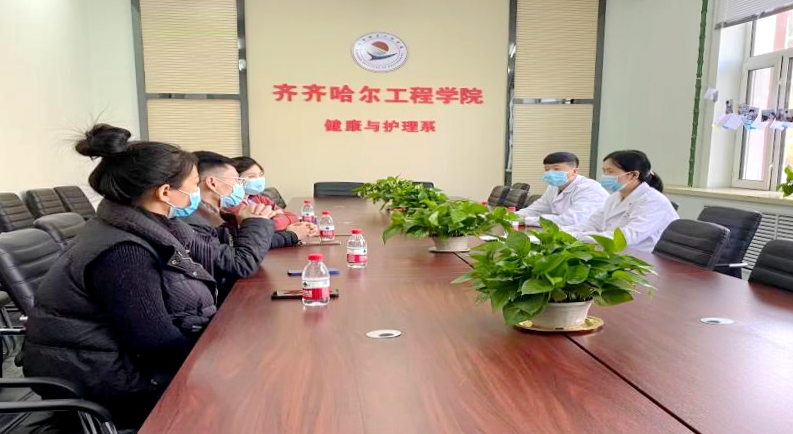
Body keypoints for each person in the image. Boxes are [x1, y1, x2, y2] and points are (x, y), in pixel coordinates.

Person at [23, 124, 218, 428]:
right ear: (165, 192)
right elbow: (156, 343)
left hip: (116, 363)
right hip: (108, 381)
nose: (198, 193)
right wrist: (220, 356)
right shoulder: (124, 252)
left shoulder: (141, 226)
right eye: (195, 185)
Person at [183, 151, 279, 301]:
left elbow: (244, 244)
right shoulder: (193, 221)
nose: (240, 186)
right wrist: (255, 221)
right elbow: (241, 264)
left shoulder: (219, 214)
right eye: (237, 180)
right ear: (212, 183)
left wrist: (293, 235)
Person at [562, 150, 679, 252]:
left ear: (633, 175)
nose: (605, 176)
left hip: (643, 259)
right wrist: (562, 231)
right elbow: (592, 224)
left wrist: (579, 236)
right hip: (616, 252)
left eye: (610, 171)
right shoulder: (614, 197)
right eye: (604, 171)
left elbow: (626, 237)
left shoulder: (653, 201)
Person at [227, 156, 318, 243]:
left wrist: (300, 226)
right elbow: (263, 227)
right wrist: (284, 225)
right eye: (251, 177)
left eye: (260, 175)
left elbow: (292, 216)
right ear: (236, 179)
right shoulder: (231, 203)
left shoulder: (257, 197)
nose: (258, 179)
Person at [516, 152, 608, 227]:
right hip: (570, 233)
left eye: (556, 169)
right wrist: (513, 216)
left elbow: (572, 220)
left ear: (574, 171)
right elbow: (536, 209)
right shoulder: (553, 187)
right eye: (547, 169)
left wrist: (526, 220)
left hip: (596, 238)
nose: (550, 173)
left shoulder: (589, 189)